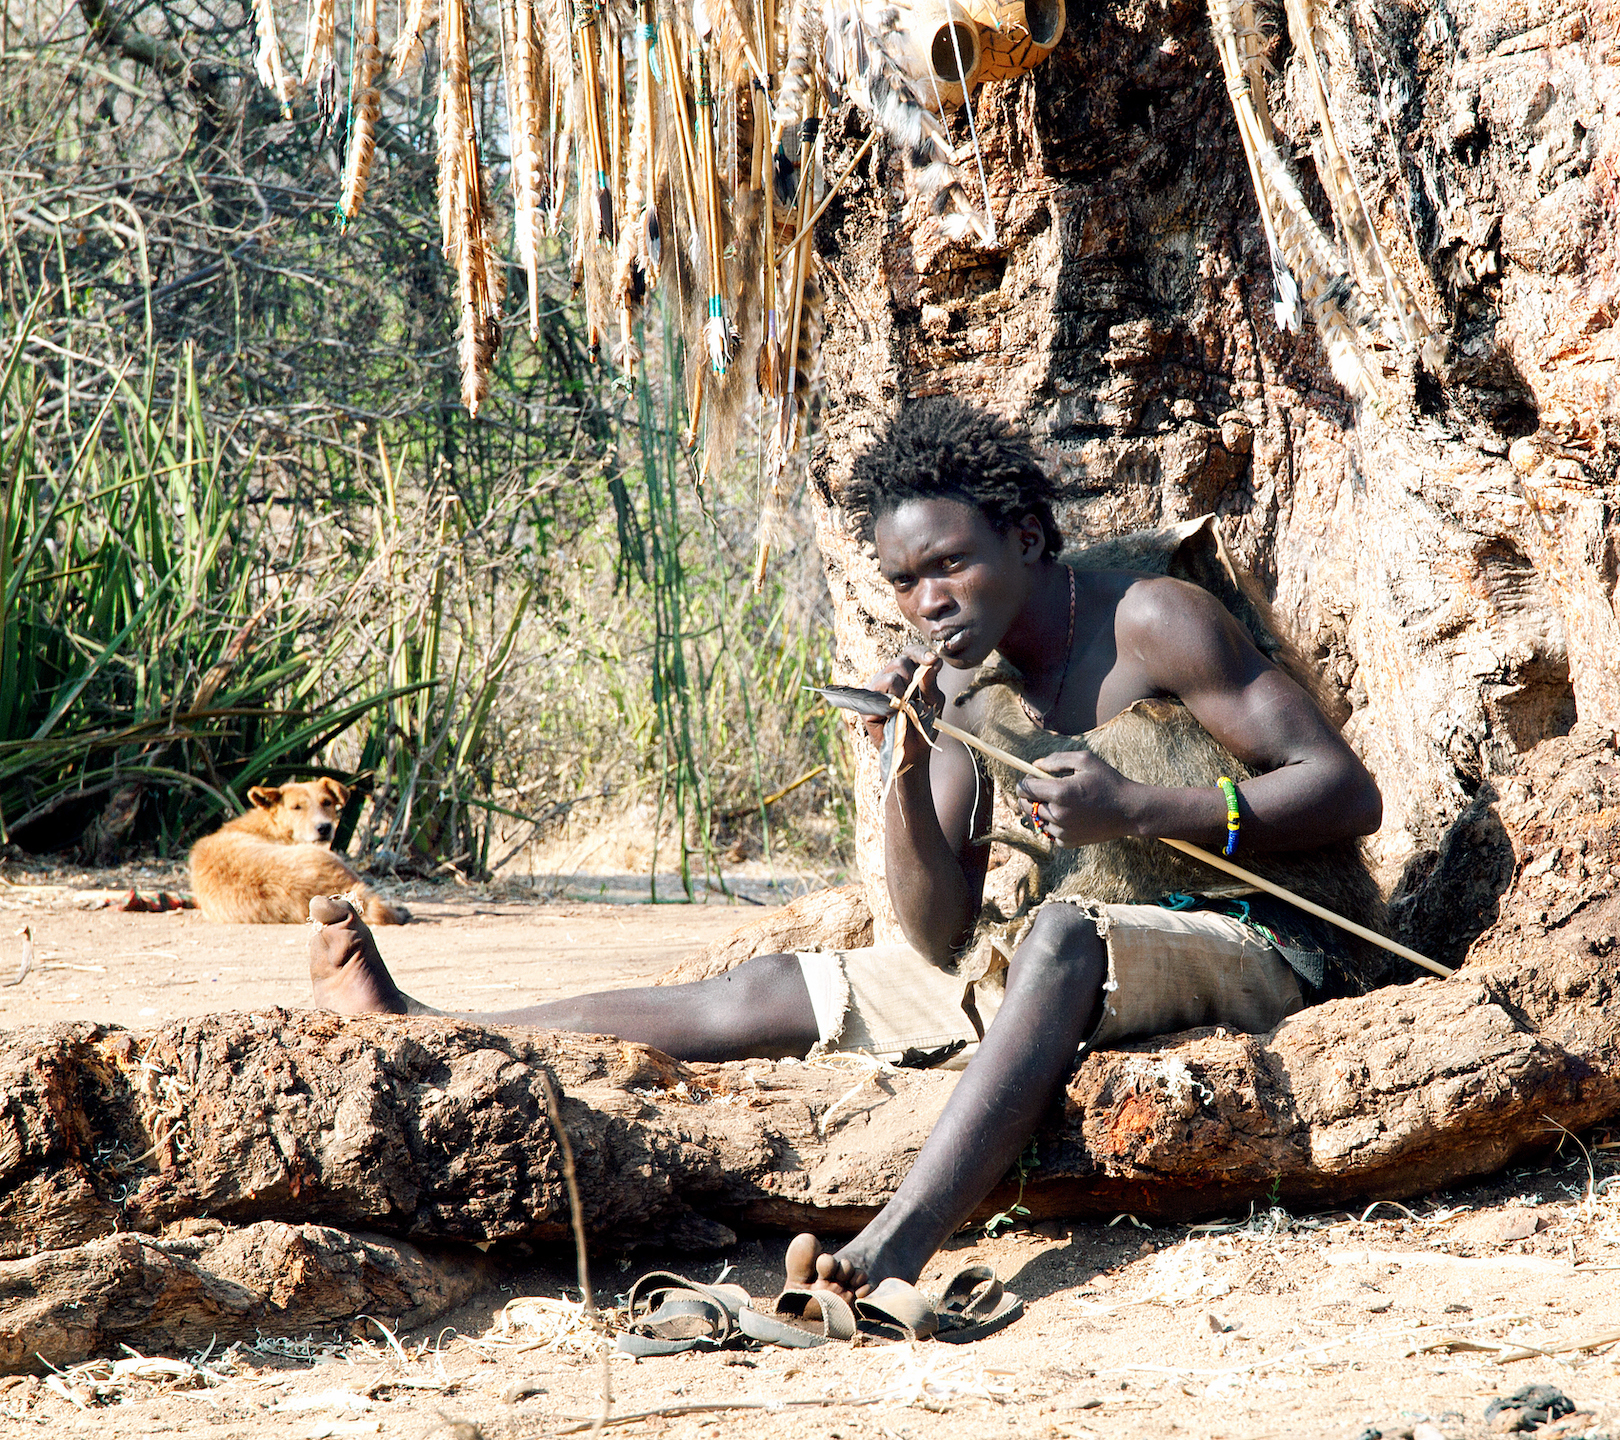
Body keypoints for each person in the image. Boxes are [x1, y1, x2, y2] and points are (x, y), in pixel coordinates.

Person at [308, 397, 1381, 1305]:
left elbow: (1344, 792)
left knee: (1057, 934)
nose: (929, 601)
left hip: (1268, 945)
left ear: (1024, 537)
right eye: (905, 581)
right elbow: (941, 930)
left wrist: (1144, 808)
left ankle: (897, 1249)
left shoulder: (1154, 616)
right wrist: (905, 768)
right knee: (771, 989)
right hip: (1091, 957)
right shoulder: (963, 684)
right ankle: (430, 1028)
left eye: (951, 564)